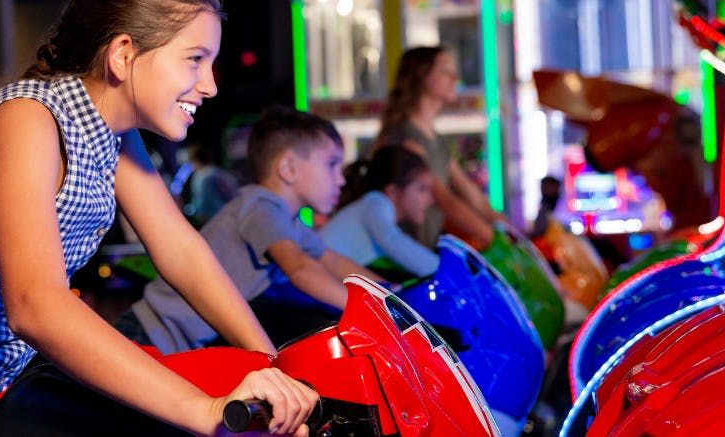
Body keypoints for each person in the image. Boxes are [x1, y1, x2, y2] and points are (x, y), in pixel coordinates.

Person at [0, 0, 316, 436]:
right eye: (195, 60)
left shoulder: (111, 135)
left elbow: (180, 251)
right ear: (123, 55)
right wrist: (205, 410)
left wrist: (272, 365)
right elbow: (36, 304)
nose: (212, 86)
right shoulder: (28, 120)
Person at [121, 105, 388, 352]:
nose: (340, 179)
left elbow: (331, 260)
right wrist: (372, 312)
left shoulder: (289, 220)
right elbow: (299, 267)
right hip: (149, 333)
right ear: (288, 168)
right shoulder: (260, 206)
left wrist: (390, 294)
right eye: (331, 164)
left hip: (171, 339)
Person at [373, 45, 506, 251]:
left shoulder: (437, 141)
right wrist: (494, 239)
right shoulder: (405, 137)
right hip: (404, 254)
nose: (455, 78)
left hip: (424, 247)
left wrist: (509, 231)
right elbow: (445, 200)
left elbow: (472, 195)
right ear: (421, 76)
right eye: (445, 71)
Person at [319, 145, 439, 282]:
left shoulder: (372, 207)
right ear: (393, 191)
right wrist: (444, 270)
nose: (431, 199)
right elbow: (394, 242)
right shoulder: (375, 203)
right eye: (422, 189)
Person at [169, 143, 240, 227]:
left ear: (194, 160)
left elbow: (201, 210)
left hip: (216, 224)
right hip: (234, 220)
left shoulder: (201, 177)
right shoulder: (222, 173)